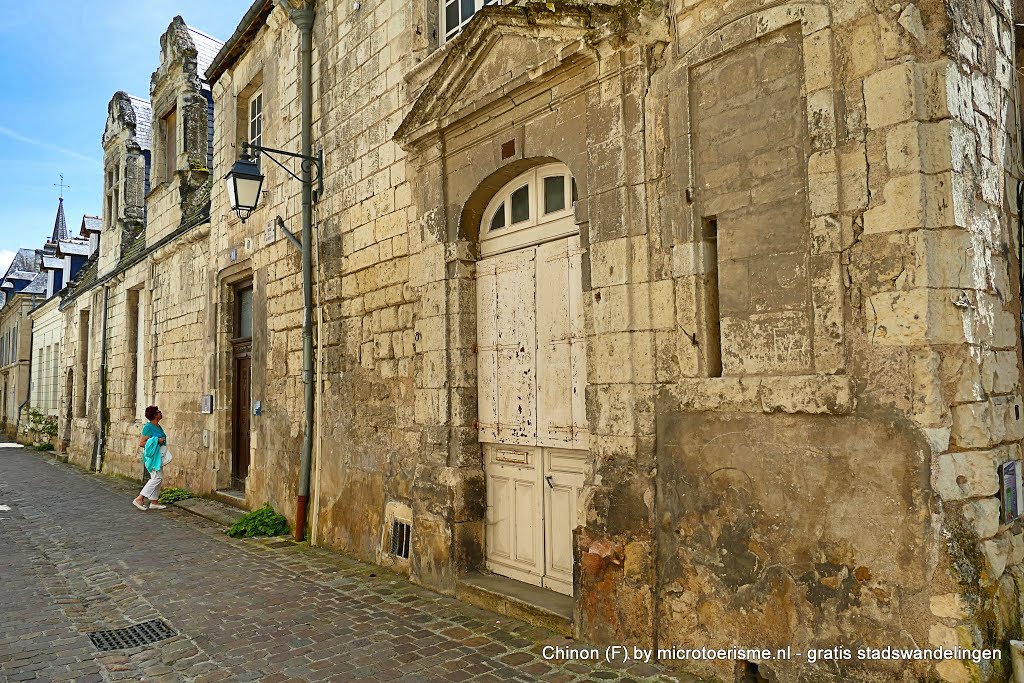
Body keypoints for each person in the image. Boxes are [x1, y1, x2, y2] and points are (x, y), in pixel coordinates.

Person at [133, 405, 168, 511]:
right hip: (152, 457)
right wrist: (157, 441)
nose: (161, 413)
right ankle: (140, 498)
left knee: (158, 477)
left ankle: (154, 502)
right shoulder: (148, 427)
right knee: (156, 478)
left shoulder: (158, 426)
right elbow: (142, 443)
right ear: (154, 415)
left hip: (158, 456)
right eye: (159, 412)